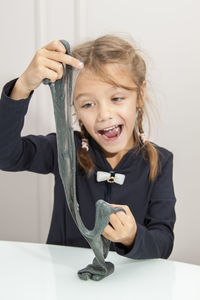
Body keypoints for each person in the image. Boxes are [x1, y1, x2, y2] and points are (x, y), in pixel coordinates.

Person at [0, 34, 176, 259]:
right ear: (75, 109)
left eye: (117, 98)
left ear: (139, 96)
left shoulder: (160, 162)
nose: (104, 114)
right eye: (88, 104)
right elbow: (6, 155)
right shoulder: (65, 149)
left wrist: (133, 237)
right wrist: (23, 86)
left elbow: (163, 242)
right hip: (66, 284)